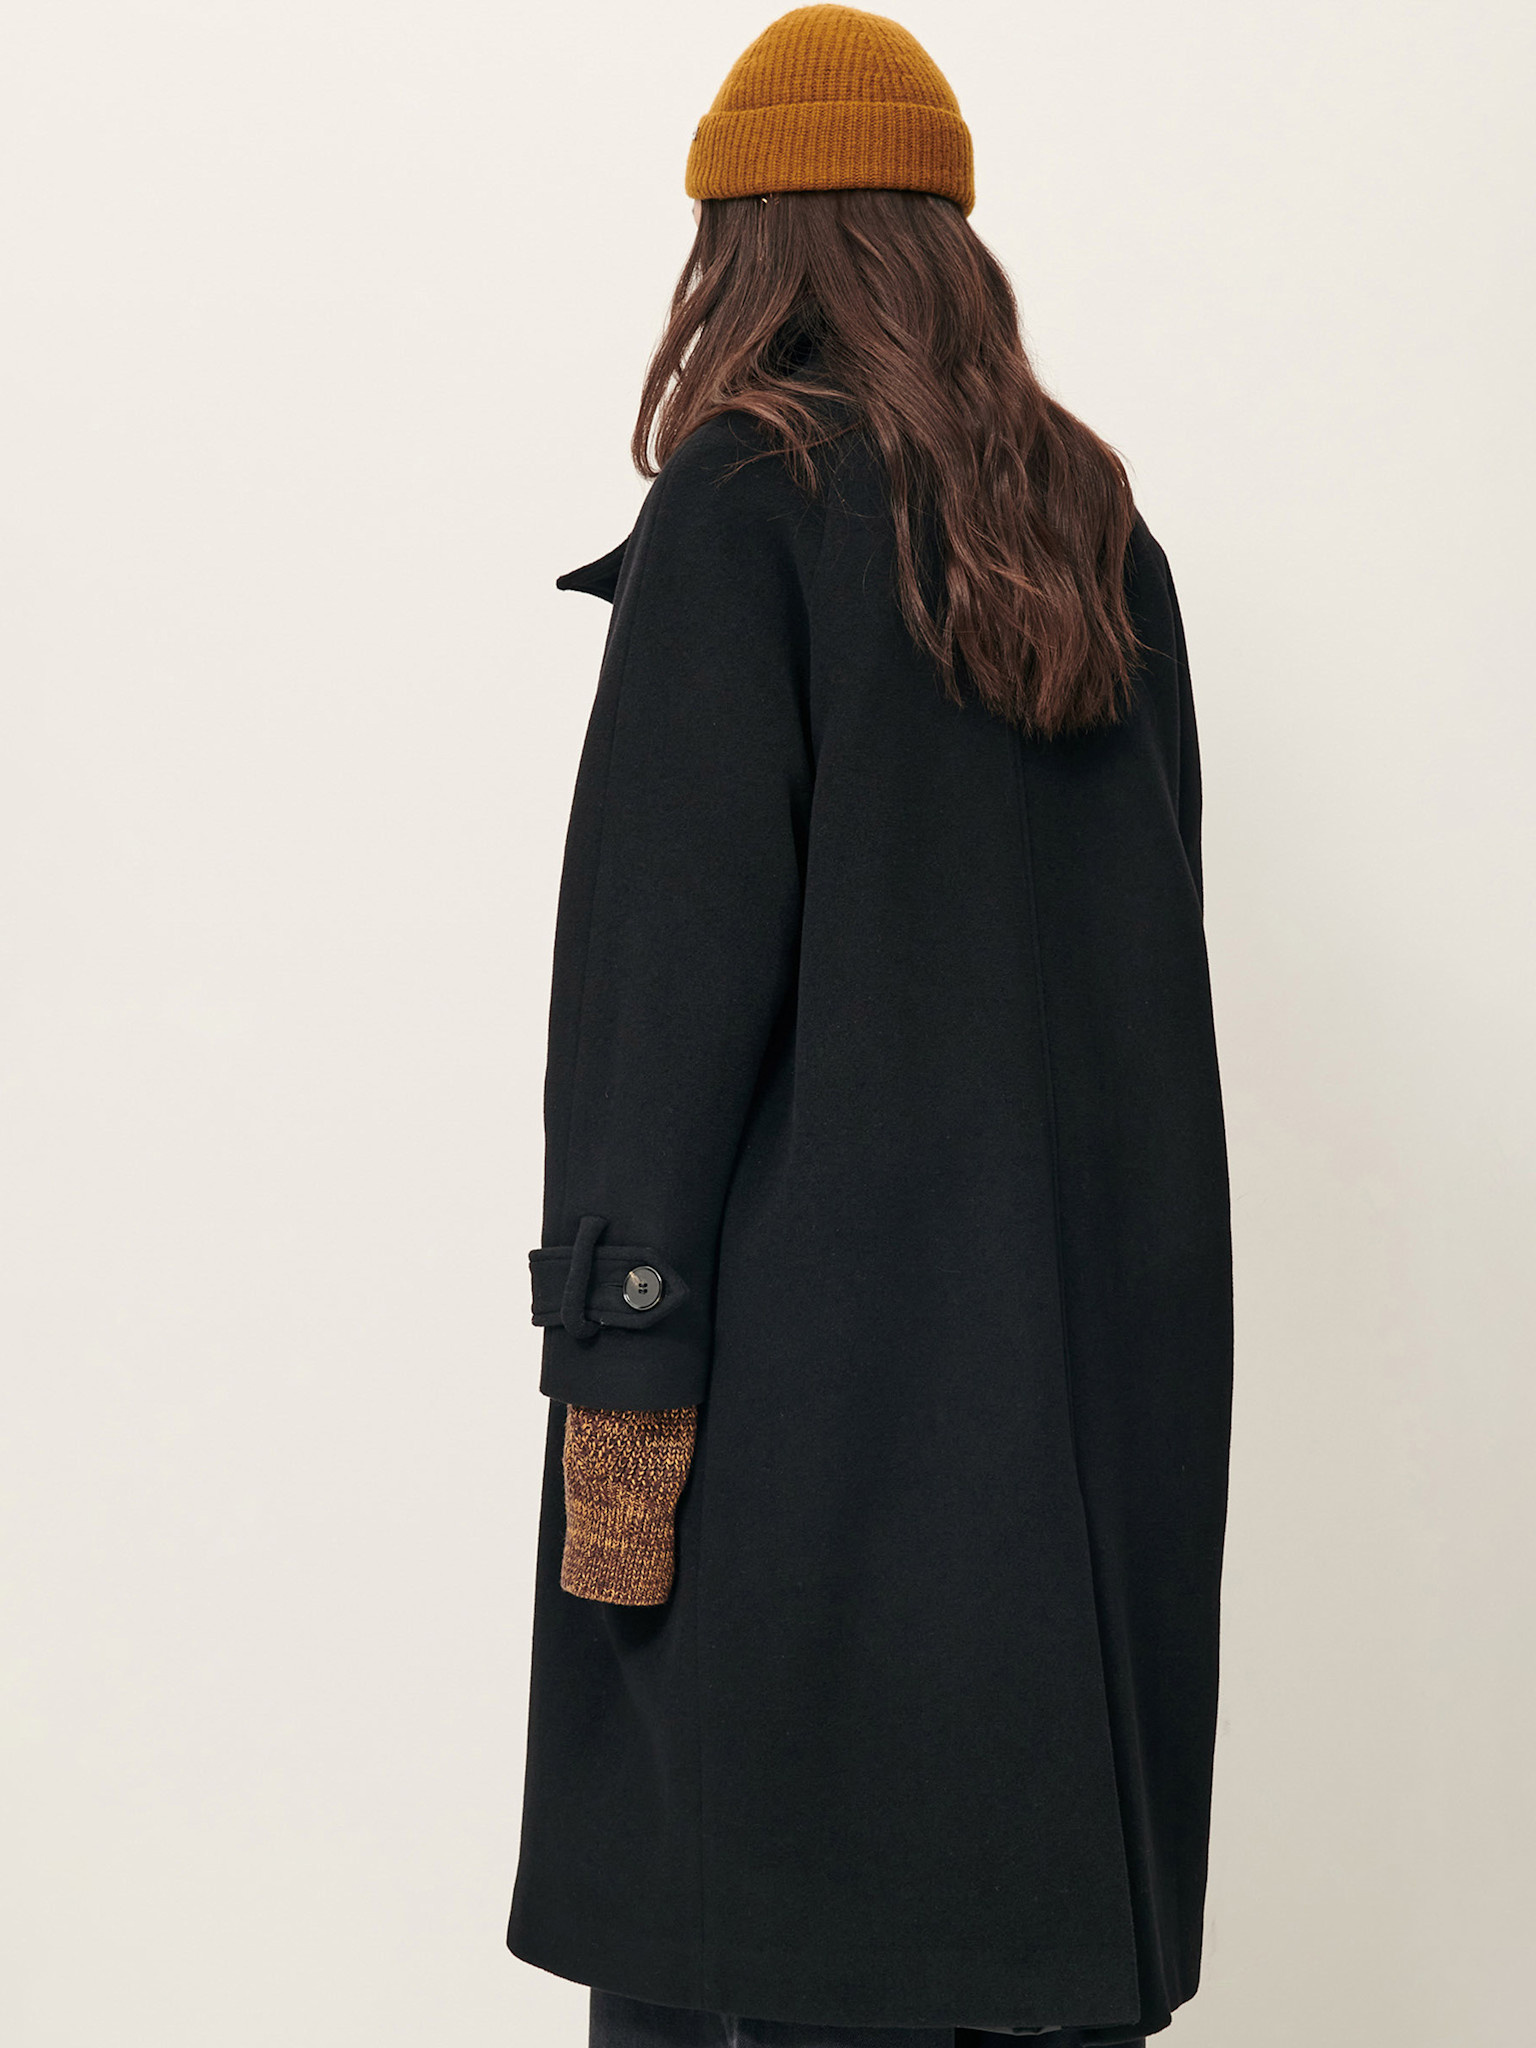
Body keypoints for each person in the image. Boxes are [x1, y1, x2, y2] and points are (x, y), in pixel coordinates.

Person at [507, 9, 1233, 2047]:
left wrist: (619, 1410)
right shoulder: (1098, 531)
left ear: (746, 245)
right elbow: (1151, 979)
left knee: (753, 1958)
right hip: (1081, 1453)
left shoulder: (748, 495)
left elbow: (658, 1003)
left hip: (792, 1455)